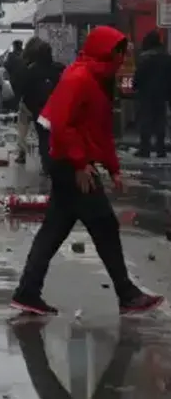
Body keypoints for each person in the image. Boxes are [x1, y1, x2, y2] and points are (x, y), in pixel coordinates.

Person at [12, 26, 164, 316]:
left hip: (72, 162)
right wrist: (80, 163)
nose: (123, 59)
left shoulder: (98, 79)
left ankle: (28, 291)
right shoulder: (79, 78)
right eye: (120, 53)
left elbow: (100, 132)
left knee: (55, 229)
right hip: (71, 164)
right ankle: (126, 294)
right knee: (103, 225)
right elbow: (62, 125)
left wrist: (113, 169)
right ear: (107, 52)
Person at [21, 40, 64, 172]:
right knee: (56, 135)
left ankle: (46, 163)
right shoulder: (58, 69)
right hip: (56, 108)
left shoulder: (32, 70)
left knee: (43, 137)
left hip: (39, 109)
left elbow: (26, 91)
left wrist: (32, 107)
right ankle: (57, 161)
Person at [132, 29, 169, 158]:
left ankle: (145, 149)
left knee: (145, 121)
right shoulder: (166, 58)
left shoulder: (144, 58)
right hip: (162, 94)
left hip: (146, 94)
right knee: (160, 121)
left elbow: (138, 76)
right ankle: (161, 149)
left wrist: (134, 86)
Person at [11, 37, 44, 164]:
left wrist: (19, 95)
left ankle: (22, 153)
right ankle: (45, 156)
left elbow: (17, 81)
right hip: (43, 102)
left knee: (22, 128)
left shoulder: (23, 63)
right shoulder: (45, 63)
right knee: (42, 131)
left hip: (27, 101)